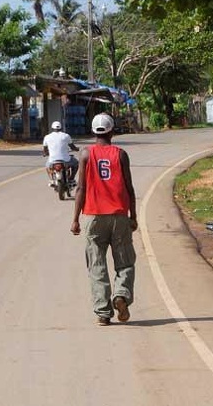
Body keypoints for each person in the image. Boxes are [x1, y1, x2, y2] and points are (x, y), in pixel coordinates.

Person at [71, 113, 138, 326]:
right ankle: (121, 295)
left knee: (97, 265)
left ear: (93, 132)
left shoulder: (85, 154)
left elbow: (80, 188)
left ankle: (103, 312)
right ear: (112, 131)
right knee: (125, 262)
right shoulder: (121, 155)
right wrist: (133, 216)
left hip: (93, 216)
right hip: (119, 215)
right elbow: (129, 188)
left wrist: (75, 219)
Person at [43, 121, 80, 186]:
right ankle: (71, 178)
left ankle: (51, 180)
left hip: (52, 160)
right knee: (76, 163)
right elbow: (72, 147)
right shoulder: (66, 136)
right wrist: (77, 149)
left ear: (52, 128)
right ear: (61, 128)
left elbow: (45, 150)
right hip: (66, 159)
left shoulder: (47, 137)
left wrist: (45, 153)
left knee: (47, 166)